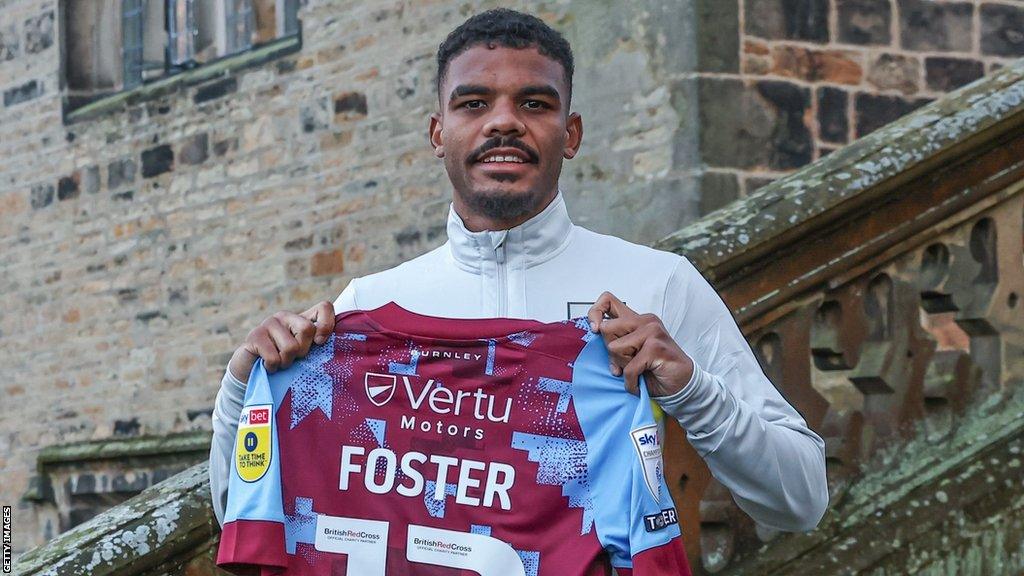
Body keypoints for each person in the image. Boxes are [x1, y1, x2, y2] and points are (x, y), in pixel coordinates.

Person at [209, 7, 828, 543]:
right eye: (474, 103)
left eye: (534, 103)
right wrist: (242, 390)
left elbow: (801, 502)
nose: (504, 122)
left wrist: (693, 390)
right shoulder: (366, 309)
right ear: (437, 132)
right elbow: (240, 509)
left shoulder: (661, 286)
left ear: (571, 133)